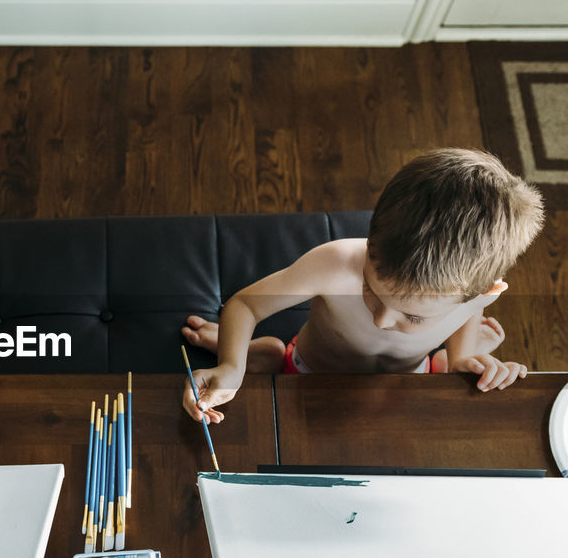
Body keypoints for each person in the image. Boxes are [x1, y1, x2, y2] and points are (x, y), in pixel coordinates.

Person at [181, 148, 544, 424]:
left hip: (406, 380)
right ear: (371, 244)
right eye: (370, 290)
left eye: (412, 317)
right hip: (308, 371)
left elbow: (468, 313)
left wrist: (464, 360)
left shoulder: (469, 293)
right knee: (274, 355)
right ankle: (253, 350)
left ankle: (449, 359)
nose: (382, 322)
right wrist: (231, 366)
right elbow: (245, 305)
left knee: (449, 367)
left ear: (485, 293)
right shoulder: (336, 264)